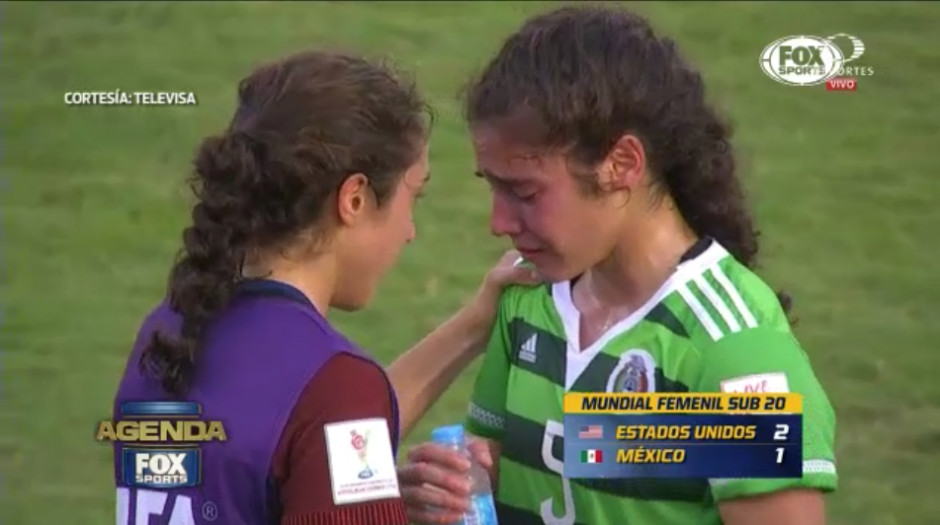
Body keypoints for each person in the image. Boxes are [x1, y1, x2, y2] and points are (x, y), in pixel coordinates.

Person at [398, 5, 837, 525]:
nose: (498, 222)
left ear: (621, 165)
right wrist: (452, 492)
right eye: (492, 187)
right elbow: (519, 466)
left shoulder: (729, 345)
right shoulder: (526, 301)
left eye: (525, 192)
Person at [112, 50, 537, 525]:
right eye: (412, 196)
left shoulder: (168, 333)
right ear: (353, 199)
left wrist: (475, 324)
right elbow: (323, 415)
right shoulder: (335, 386)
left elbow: (279, 444)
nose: (409, 231)